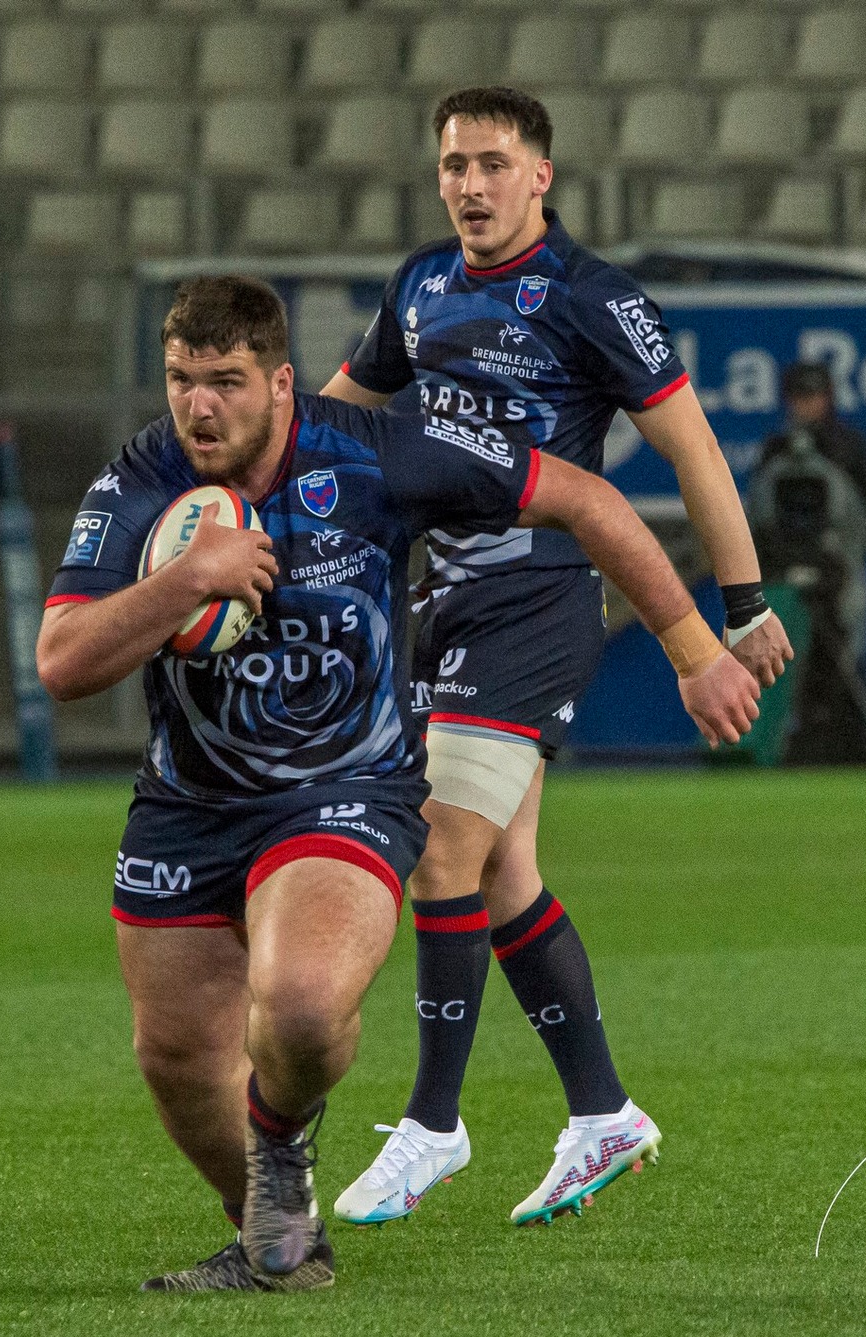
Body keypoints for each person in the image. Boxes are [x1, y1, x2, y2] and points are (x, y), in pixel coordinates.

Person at [35, 276, 758, 1292]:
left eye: (226, 383)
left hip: (343, 792)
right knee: (177, 1058)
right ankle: (276, 1239)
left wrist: (692, 645)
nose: (199, 407)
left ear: (281, 382)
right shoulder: (141, 480)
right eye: (180, 381)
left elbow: (584, 499)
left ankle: (285, 1142)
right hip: (185, 806)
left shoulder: (376, 451)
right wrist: (183, 581)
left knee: (295, 1007)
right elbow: (62, 661)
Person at [320, 86, 791, 1228]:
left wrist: (740, 603)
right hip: (444, 601)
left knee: (439, 853)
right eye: (451, 166)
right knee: (499, 876)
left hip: (537, 599)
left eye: (490, 164)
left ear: (541, 175)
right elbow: (340, 413)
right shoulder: (421, 285)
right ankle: (602, 1113)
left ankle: (433, 1124)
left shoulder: (590, 297)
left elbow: (689, 448)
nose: (468, 186)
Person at [746, 362, 866, 764]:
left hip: (840, 572)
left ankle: (856, 747)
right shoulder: (776, 450)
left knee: (846, 653)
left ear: (829, 397)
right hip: (783, 576)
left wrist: (838, 555)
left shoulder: (849, 446)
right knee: (781, 655)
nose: (807, 405)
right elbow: (759, 518)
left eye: (815, 396)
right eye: (800, 396)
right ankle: (785, 742)